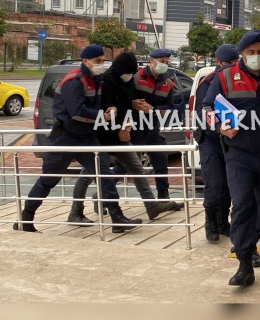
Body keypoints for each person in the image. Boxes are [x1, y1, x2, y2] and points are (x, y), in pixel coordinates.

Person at [14, 45, 141, 233]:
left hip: (87, 138)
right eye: (98, 61)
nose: (101, 64)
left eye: (103, 60)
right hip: (65, 138)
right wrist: (102, 116)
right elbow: (76, 112)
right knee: (48, 180)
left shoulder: (96, 80)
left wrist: (110, 108)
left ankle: (117, 217)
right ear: (85, 61)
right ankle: (26, 218)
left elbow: (100, 104)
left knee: (104, 174)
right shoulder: (74, 80)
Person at [202, 30, 260, 286]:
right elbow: (207, 109)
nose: (256, 56)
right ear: (241, 54)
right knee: (242, 204)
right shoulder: (225, 78)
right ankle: (243, 262)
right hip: (239, 153)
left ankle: (250, 244)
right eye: (250, 52)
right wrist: (219, 126)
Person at [67, 51, 178, 225]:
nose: (130, 76)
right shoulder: (106, 81)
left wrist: (133, 112)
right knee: (89, 173)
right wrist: (123, 123)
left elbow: (126, 104)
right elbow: (108, 107)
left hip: (127, 130)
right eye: (98, 60)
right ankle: (78, 210)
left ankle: (151, 205)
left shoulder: (137, 81)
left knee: (137, 166)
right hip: (103, 133)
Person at [195, 44, 238, 242]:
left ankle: (222, 222)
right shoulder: (207, 82)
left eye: (234, 63)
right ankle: (210, 222)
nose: (231, 67)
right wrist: (219, 126)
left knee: (229, 185)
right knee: (214, 184)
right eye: (227, 63)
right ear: (218, 63)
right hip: (211, 140)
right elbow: (203, 113)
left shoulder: (237, 81)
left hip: (231, 140)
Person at [131, 48, 179, 200]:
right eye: (161, 62)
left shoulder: (168, 83)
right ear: (151, 60)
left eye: (166, 62)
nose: (164, 65)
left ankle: (163, 197)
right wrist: (132, 104)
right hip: (134, 129)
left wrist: (153, 109)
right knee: (123, 166)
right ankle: (103, 196)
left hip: (153, 129)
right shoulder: (136, 77)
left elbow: (170, 107)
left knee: (161, 162)